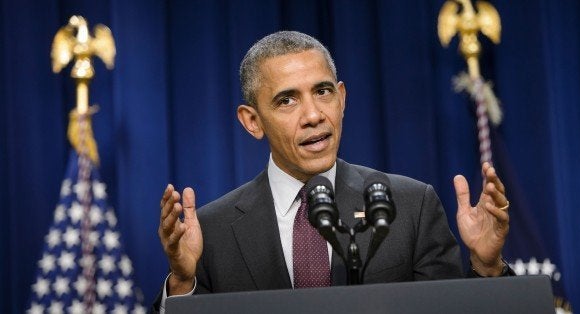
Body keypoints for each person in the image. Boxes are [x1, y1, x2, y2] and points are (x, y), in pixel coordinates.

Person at [154, 31, 512, 312]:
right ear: (252, 121)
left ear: (341, 99)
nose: (313, 115)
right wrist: (184, 285)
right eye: (287, 100)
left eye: (323, 91)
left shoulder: (410, 206)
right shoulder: (211, 232)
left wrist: (486, 266)